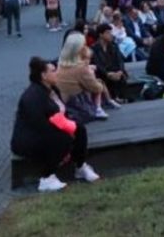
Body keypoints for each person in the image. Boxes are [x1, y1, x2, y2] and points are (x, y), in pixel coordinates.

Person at [11, 56, 100, 192]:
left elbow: (62, 113)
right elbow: (38, 123)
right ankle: (46, 177)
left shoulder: (52, 90)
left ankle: (80, 167)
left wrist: (69, 127)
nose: (57, 72)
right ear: (43, 75)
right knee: (62, 139)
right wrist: (65, 132)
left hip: (49, 130)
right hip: (28, 138)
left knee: (79, 129)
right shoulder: (33, 95)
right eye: (53, 71)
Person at [56, 32, 114, 119]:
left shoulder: (61, 64)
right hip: (79, 103)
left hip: (66, 100)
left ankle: (106, 104)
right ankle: (98, 109)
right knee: (99, 83)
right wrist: (89, 71)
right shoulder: (81, 68)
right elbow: (95, 88)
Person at [90, 23, 127, 99]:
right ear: (101, 35)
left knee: (120, 77)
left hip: (115, 71)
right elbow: (97, 64)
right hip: (103, 73)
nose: (111, 35)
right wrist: (107, 74)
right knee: (106, 78)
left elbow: (120, 60)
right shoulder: (94, 49)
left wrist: (120, 71)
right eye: (108, 33)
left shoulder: (114, 46)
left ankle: (120, 97)